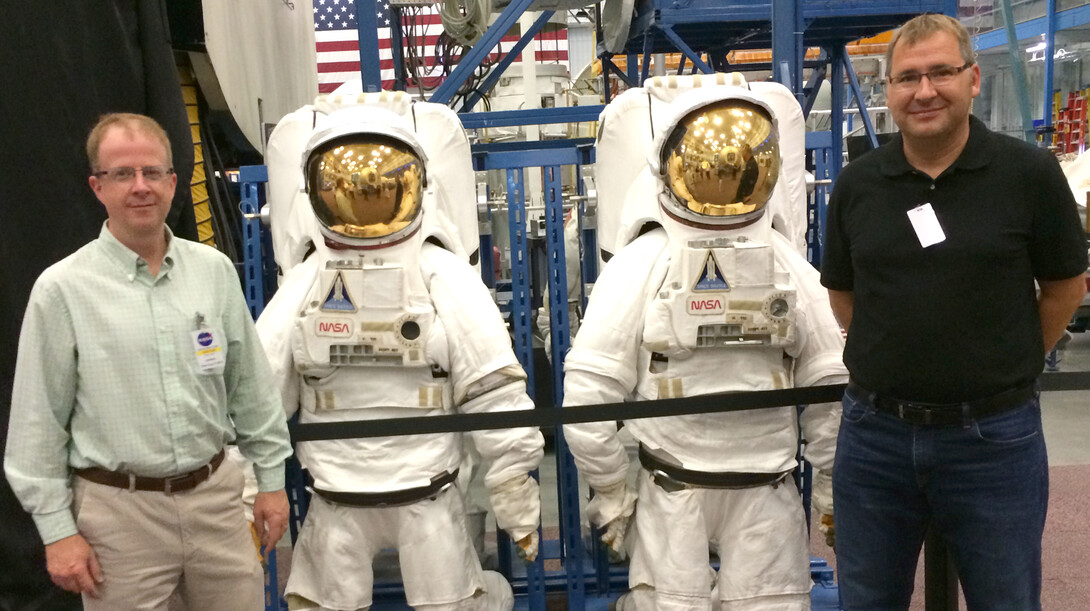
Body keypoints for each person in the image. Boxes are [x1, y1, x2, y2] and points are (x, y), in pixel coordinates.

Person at [820, 14, 1088, 611]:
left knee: (1006, 599)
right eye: (907, 78)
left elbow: (1066, 285)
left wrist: (1011, 360)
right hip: (875, 439)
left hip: (993, 439)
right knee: (865, 599)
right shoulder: (859, 185)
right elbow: (842, 291)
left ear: (972, 79)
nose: (924, 91)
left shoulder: (1030, 175)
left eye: (941, 72)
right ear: (887, 92)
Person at [563, 83, 846, 610]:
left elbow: (829, 380)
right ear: (669, 164)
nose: (725, 180)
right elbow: (590, 389)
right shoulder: (646, 260)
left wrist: (830, 486)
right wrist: (610, 491)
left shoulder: (781, 259)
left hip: (764, 485)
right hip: (676, 485)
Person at [257, 102, 544, 611]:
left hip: (424, 494)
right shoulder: (310, 281)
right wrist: (247, 490)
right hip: (338, 496)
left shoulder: (440, 274)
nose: (366, 201)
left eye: (382, 185)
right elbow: (259, 402)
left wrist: (514, 489)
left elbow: (493, 388)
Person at [4, 113, 293, 610]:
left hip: (216, 505)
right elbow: (37, 425)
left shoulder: (214, 272)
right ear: (97, 186)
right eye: (122, 174)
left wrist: (271, 482)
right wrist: (57, 533)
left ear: (173, 182)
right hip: (119, 518)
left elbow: (251, 388)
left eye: (152, 172)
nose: (140, 187)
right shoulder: (63, 290)